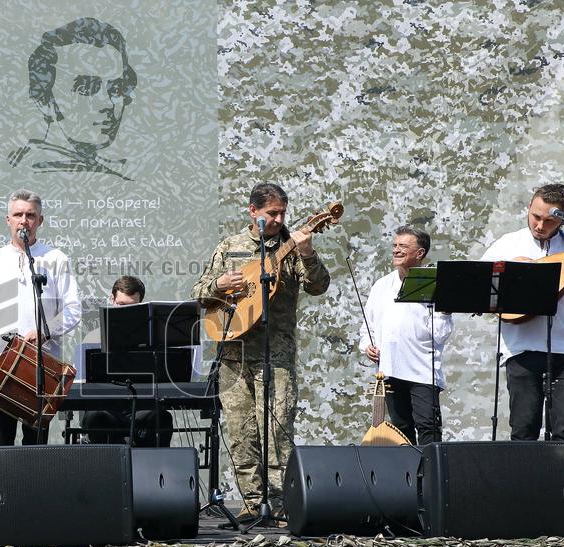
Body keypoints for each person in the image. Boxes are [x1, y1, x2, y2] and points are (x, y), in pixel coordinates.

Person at [191, 182, 330, 521]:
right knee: (240, 431)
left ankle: (281, 504)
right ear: (253, 211)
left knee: (276, 428)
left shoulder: (291, 246)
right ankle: (252, 503)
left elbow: (318, 285)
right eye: (272, 213)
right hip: (233, 352)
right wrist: (218, 285)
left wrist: (307, 251)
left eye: (283, 213)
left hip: (276, 354)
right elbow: (199, 292)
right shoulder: (231, 246)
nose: (279, 219)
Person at [0, 189, 81, 445]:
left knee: (35, 446)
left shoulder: (56, 259)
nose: (24, 220)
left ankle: (34, 486)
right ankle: (0, 487)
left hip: (42, 364)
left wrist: (45, 331)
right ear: (8, 220)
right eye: (18, 215)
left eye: (30, 215)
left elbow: (73, 310)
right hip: (0, 362)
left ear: (40, 221)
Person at [481, 183, 564, 440]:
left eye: (549, 221)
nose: (540, 226)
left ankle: (562, 482)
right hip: (521, 350)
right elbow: (478, 286)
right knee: (524, 428)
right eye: (536, 217)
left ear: (563, 220)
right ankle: (524, 481)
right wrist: (510, 273)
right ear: (529, 207)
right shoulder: (507, 244)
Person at [8, 17, 138, 180]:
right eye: (87, 87)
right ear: (43, 100)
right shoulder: (40, 175)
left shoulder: (110, 169)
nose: (108, 103)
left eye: (117, 88)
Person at [360, 226, 453, 444]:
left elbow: (440, 336)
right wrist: (367, 346)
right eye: (395, 246)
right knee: (400, 429)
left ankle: (433, 476)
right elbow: (367, 327)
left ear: (420, 253)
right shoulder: (381, 286)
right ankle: (410, 476)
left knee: (428, 426)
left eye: (403, 246)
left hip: (423, 372)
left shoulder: (435, 284)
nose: (396, 251)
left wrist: (446, 309)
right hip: (390, 370)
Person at [82, 275, 174, 447]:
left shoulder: (153, 339)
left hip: (142, 408)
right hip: (106, 408)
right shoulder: (92, 338)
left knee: (161, 418)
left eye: (133, 307)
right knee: (97, 418)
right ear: (112, 300)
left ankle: (153, 472)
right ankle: (106, 472)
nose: (125, 312)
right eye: (121, 305)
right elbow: (82, 380)